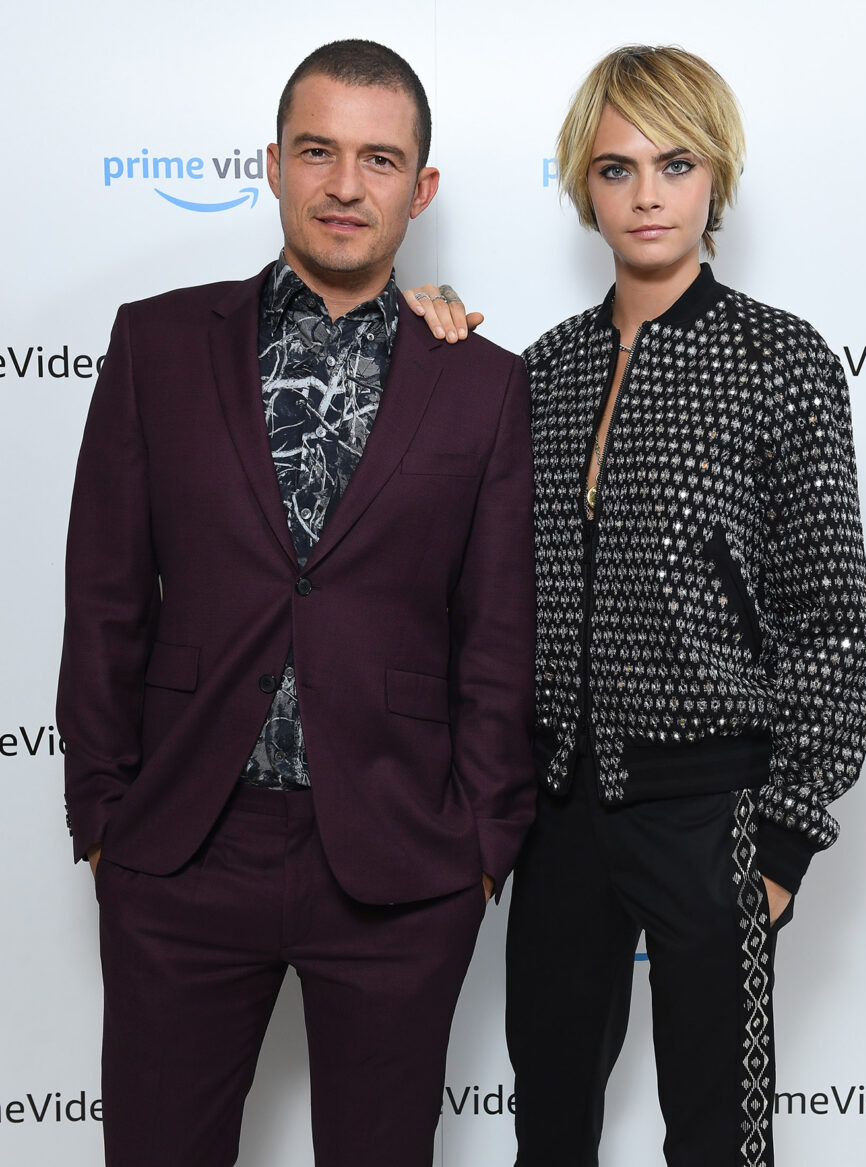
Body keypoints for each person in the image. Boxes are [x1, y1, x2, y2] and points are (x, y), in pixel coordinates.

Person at [57, 38, 536, 1167]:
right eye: (317, 152)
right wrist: (103, 814)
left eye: (380, 159)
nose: (345, 185)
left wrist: (481, 846)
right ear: (272, 165)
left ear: (420, 187)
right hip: (180, 846)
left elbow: (498, 636)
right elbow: (105, 592)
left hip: (400, 859)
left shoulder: (483, 382)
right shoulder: (155, 343)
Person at [407, 44, 866, 1167]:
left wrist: (778, 846)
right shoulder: (541, 370)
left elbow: (830, 619)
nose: (648, 194)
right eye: (617, 169)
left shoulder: (780, 360)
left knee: (715, 1138)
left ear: (715, 175)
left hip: (714, 813)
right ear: (585, 185)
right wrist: (413, 330)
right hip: (559, 811)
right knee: (548, 1127)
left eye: (675, 163)